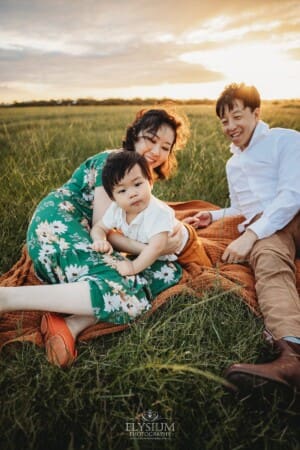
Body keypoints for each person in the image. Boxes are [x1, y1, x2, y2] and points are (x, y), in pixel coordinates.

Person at [0, 107, 190, 367]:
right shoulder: (112, 161)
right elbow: (107, 232)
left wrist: (159, 240)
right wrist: (149, 247)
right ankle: (6, 299)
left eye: (166, 147)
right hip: (58, 224)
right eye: (151, 139)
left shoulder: (137, 177)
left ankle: (70, 324)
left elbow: (138, 220)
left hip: (84, 233)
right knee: (131, 286)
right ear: (135, 135)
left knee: (167, 271)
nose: (157, 151)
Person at [185, 82, 300, 393]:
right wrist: (215, 216)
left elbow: (292, 195)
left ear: (256, 113)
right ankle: (292, 356)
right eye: (224, 121)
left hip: (293, 214)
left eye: (237, 116)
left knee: (260, 242)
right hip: (270, 229)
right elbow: (241, 206)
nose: (230, 126)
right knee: (268, 260)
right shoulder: (232, 164)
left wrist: (250, 235)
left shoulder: (284, 140)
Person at [91, 151, 211, 276]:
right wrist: (100, 240)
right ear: (113, 198)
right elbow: (99, 228)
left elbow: (156, 248)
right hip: (153, 246)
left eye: (137, 184)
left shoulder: (157, 212)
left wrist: (133, 267)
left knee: (201, 270)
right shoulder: (116, 209)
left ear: (150, 182)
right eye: (122, 190)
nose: (132, 194)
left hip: (185, 248)